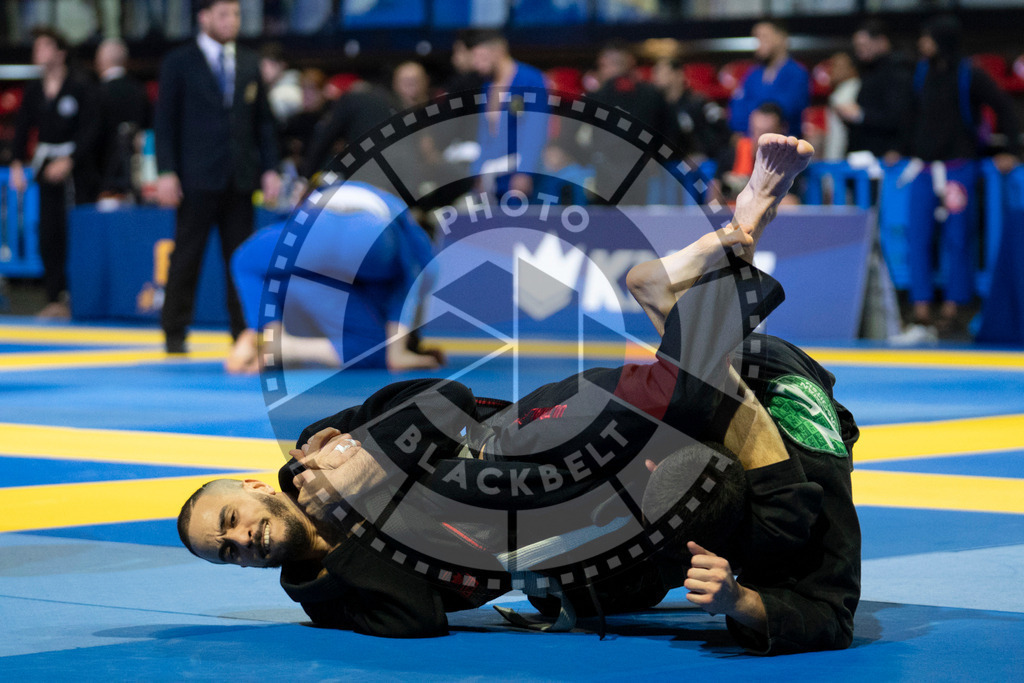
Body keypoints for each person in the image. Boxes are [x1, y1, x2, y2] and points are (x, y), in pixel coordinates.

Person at [180, 135, 858, 654]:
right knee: (715, 443)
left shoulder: (317, 452)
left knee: (704, 417)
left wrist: (370, 454)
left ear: (250, 485)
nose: (242, 539)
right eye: (228, 550)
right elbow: (413, 615)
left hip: (520, 450)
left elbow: (439, 398)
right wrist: (349, 534)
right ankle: (679, 288)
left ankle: (696, 275)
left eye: (231, 522)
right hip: (559, 532)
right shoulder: (329, 591)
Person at [154, 0, 281, 354]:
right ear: (204, 17)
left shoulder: (250, 62)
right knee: (186, 256)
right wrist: (165, 171)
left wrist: (270, 168)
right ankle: (174, 331)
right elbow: (164, 122)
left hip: (239, 177)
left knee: (241, 258)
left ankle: (244, 332)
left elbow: (264, 124)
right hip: (195, 176)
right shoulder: (179, 62)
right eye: (224, 14)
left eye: (237, 14)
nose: (232, 21)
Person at [224, 182, 443, 374]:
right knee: (376, 346)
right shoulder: (395, 208)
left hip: (316, 230)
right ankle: (280, 345)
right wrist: (399, 350)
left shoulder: (321, 197)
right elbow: (421, 269)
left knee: (245, 260)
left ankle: (269, 336)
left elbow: (247, 261)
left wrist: (263, 326)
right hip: (367, 236)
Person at [900, 15, 1021, 336]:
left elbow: (1005, 108)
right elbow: (911, 117)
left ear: (942, 40)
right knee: (918, 237)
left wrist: (1012, 150)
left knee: (957, 239)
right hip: (924, 169)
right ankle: (921, 308)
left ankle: (953, 309)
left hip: (958, 169)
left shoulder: (971, 75)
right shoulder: (922, 73)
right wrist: (900, 147)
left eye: (927, 38)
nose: (922, 44)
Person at [9, 27, 99, 320]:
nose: (38, 52)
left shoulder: (80, 86)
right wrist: (16, 164)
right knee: (49, 234)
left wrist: (71, 160)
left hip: (78, 171)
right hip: (46, 168)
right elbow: (21, 131)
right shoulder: (34, 90)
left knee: (76, 232)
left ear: (60, 53)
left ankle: (80, 295)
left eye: (45, 46)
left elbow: (92, 129)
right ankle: (54, 296)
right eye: (36, 47)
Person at [587, 41, 680, 202]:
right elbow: (670, 136)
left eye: (604, 65)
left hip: (617, 173)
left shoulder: (597, 97)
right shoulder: (653, 94)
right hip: (643, 169)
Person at [463, 28, 548, 199]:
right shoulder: (487, 87)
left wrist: (525, 172)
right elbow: (485, 134)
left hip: (521, 176)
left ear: (498, 50)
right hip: (494, 177)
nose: (476, 65)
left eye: (481, 57)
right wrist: (478, 171)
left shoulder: (530, 79)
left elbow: (535, 129)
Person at [837, 19, 912, 160]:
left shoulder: (898, 71)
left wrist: (860, 115)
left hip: (886, 156)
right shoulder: (868, 70)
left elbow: (900, 117)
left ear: (882, 41)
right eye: (857, 46)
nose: (859, 50)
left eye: (864, 45)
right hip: (862, 153)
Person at [728, 20, 809, 142]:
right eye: (756, 38)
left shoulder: (797, 73)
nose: (759, 43)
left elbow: (785, 110)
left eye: (764, 36)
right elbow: (737, 111)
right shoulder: (752, 74)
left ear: (781, 38)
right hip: (751, 144)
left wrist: (757, 113)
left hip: (785, 145)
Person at [94, 38, 150, 200]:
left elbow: (92, 138)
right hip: (138, 179)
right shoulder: (140, 91)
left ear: (101, 61)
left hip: (104, 182)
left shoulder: (96, 94)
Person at [651, 56, 731, 161]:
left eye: (662, 72)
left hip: (704, 162)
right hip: (670, 164)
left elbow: (723, 132)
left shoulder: (699, 102)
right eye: (655, 72)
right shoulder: (657, 108)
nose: (656, 77)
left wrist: (703, 154)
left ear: (679, 75)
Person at [823, 52, 860, 161]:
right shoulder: (839, 91)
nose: (831, 70)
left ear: (852, 69)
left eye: (837, 66)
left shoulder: (854, 87)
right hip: (836, 157)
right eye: (831, 65)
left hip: (847, 157)